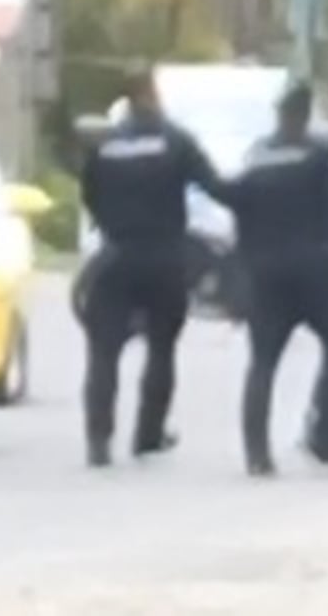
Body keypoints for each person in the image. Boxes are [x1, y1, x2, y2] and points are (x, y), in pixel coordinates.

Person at [78, 67, 228, 468]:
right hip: (164, 256)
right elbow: (215, 186)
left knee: (103, 352)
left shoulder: (105, 144)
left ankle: (98, 440)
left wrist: (112, 223)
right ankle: (148, 434)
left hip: (116, 256)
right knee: (162, 347)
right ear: (153, 93)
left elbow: (88, 193)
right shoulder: (175, 139)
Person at [227, 82, 328, 476]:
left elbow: (239, 212)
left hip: (265, 271)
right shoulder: (320, 153)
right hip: (314, 268)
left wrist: (240, 273)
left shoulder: (257, 156)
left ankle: (257, 454)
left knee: (262, 361)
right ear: (306, 114)